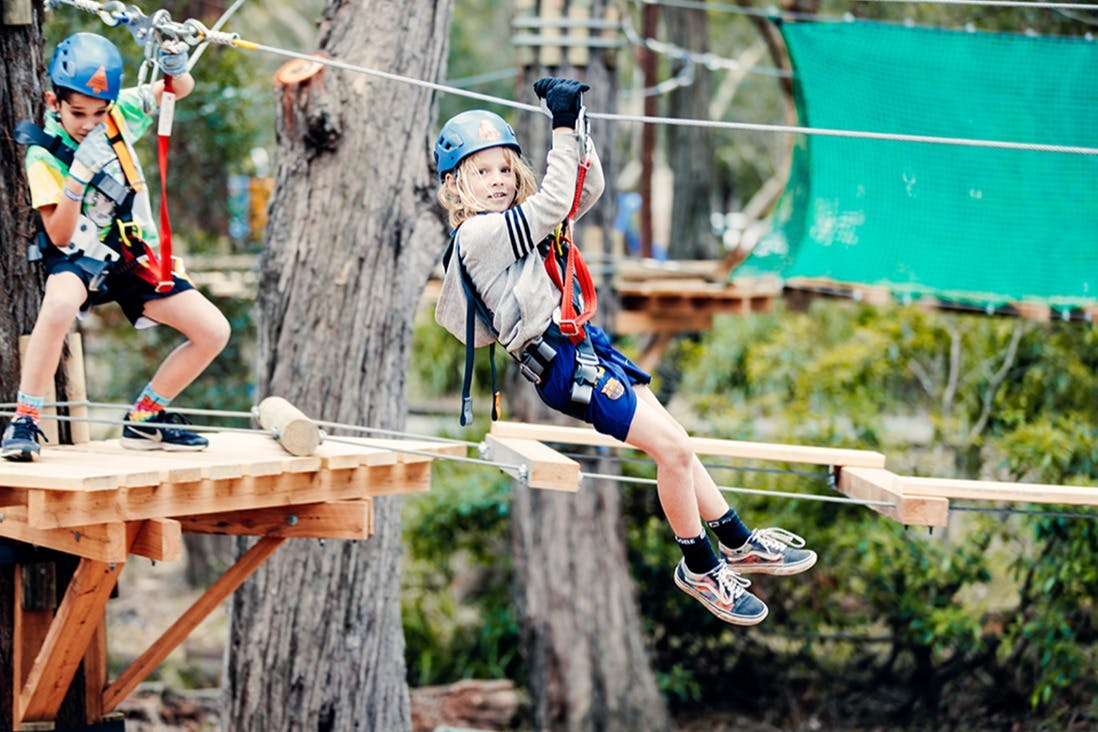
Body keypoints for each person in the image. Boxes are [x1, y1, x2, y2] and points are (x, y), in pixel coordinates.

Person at [433, 77, 817, 626]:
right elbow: (553, 205)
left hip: (587, 344)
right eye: (481, 172)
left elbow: (583, 192)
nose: (496, 182)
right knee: (674, 453)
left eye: (502, 170)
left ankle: (738, 540)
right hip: (564, 366)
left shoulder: (523, 223)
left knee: (679, 445)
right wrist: (560, 126)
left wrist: (579, 128)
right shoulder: (481, 236)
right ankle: (700, 568)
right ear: (455, 184)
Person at [1, 32, 230, 461]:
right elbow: (60, 236)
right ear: (54, 103)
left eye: (98, 112)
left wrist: (174, 63)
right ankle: (26, 418)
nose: (90, 123)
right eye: (78, 112)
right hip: (77, 255)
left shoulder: (119, 113)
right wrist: (76, 179)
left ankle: (144, 418)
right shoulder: (43, 155)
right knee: (58, 304)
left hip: (127, 254)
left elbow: (176, 90)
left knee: (213, 330)